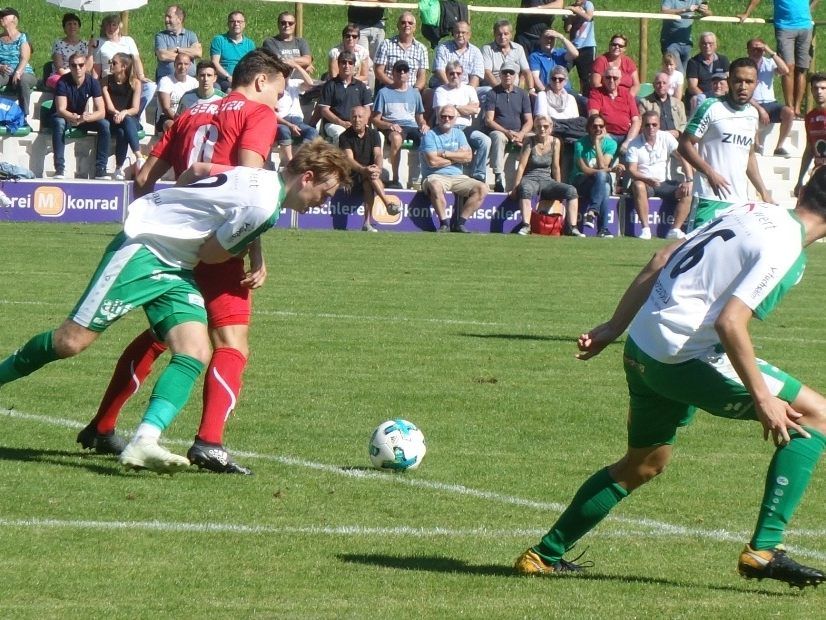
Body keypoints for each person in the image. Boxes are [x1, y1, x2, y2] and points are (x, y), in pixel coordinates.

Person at [515, 166, 826, 590]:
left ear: (804, 189)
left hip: (643, 345)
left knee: (643, 464)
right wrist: (764, 398)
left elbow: (661, 257)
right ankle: (764, 549)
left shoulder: (753, 209)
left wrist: (613, 327)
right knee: (817, 416)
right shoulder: (787, 247)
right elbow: (731, 323)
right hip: (682, 357)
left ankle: (542, 556)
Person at [1, 144, 351, 475]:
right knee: (70, 342)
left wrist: (175, 204)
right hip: (144, 251)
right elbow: (212, 255)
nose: (322, 201)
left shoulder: (256, 175)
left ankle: (144, 441)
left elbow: (198, 169)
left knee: (195, 351)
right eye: (326, 192)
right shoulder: (264, 208)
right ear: (307, 177)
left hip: (175, 267)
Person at [77, 49, 291, 475]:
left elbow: (142, 179)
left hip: (175, 242)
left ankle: (102, 426)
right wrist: (255, 250)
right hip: (218, 242)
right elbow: (248, 187)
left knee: (163, 336)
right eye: (279, 92)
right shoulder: (257, 114)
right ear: (261, 81)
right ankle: (209, 442)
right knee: (231, 344)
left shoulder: (190, 112)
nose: (279, 104)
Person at [679, 57, 773, 229]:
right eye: (738, 81)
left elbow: (749, 155)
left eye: (749, 81)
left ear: (756, 84)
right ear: (729, 81)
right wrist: (710, 173)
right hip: (709, 198)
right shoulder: (711, 107)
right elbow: (684, 144)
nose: (743, 86)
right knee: (700, 254)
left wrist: (763, 192)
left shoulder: (752, 114)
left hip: (739, 203)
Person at [738, 0, 816, 117]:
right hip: (784, 27)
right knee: (788, 67)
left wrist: (810, 9)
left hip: (805, 26)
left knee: (802, 69)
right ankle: (789, 107)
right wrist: (747, 13)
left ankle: (797, 109)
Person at [421, 104, 489, 232]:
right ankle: (444, 223)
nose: (446, 119)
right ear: (438, 117)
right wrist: (457, 157)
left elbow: (468, 157)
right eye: (443, 116)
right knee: (435, 186)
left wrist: (446, 154)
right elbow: (433, 162)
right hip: (435, 175)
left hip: (457, 176)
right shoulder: (429, 135)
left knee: (482, 188)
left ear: (455, 119)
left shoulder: (459, 134)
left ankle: (460, 223)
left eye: (450, 117)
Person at [625, 110, 693, 240]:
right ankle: (645, 229)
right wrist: (647, 179)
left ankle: (675, 230)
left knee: (688, 191)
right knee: (638, 185)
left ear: (659, 125)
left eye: (654, 124)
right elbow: (632, 171)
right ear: (642, 125)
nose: (651, 128)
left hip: (664, 183)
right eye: (647, 125)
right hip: (645, 184)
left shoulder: (666, 137)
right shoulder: (634, 144)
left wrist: (689, 179)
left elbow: (683, 157)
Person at [510, 115, 582, 235]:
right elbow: (522, 166)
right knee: (525, 188)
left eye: (545, 126)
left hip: (547, 180)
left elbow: (555, 166)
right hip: (530, 178)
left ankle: (572, 227)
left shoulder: (555, 142)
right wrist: (515, 187)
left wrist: (558, 186)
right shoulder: (530, 141)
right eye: (539, 126)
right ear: (535, 128)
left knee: (571, 191)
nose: (542, 129)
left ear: (551, 128)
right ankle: (526, 225)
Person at [52, 52, 110, 180]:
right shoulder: (63, 81)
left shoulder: (93, 82)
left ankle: (101, 168)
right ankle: (59, 168)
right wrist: (75, 118)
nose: (77, 68)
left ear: (85, 66)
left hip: (84, 118)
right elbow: (61, 109)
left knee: (104, 124)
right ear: (70, 67)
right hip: (66, 116)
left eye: (81, 65)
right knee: (59, 123)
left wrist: (87, 117)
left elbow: (102, 112)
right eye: (73, 65)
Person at [372, 60, 429, 189]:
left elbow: (420, 118)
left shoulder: (415, 94)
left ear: (409, 74)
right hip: (392, 125)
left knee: (428, 137)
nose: (402, 73)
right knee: (397, 139)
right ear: (393, 73)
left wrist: (424, 124)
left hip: (412, 126)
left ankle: (424, 178)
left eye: (405, 70)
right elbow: (375, 119)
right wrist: (389, 125)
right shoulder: (383, 93)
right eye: (398, 70)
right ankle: (396, 179)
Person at [432, 60, 491, 183]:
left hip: (466, 128)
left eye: (458, 73)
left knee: (485, 141)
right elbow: (442, 114)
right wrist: (464, 108)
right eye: (452, 73)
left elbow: (475, 110)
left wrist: (454, 107)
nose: (455, 76)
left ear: (462, 74)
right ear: (447, 74)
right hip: (447, 128)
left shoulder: (469, 89)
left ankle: (478, 175)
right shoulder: (440, 90)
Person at [340, 106, 396, 232]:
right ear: (350, 118)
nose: (356, 120)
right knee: (370, 178)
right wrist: (364, 170)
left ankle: (367, 223)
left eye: (360, 117)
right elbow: (349, 160)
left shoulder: (374, 134)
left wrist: (378, 168)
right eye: (354, 117)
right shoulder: (344, 137)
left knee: (369, 181)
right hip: (352, 175)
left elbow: (378, 155)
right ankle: (387, 204)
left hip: (369, 174)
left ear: (366, 120)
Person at [92, 14, 156, 116]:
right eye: (107, 25)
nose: (111, 28)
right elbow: (97, 68)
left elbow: (136, 59)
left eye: (114, 25)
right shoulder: (100, 43)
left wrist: (141, 76)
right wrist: (93, 83)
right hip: (109, 81)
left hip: (128, 80)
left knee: (150, 87)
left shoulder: (128, 40)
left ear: (119, 26)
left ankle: (136, 114)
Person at [570, 113, 622, 237]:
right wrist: (610, 170)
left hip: (599, 183)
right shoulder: (580, 144)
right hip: (582, 181)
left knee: (605, 185)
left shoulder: (611, 144)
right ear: (588, 128)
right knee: (603, 178)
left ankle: (593, 212)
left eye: (601, 126)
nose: (598, 129)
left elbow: (602, 166)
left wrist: (597, 144)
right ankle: (602, 228)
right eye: (594, 126)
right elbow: (585, 170)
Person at [484, 60, 533, 193]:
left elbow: (529, 120)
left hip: (519, 132)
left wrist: (522, 134)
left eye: (511, 73)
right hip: (500, 131)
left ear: (515, 75)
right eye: (505, 72)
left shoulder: (523, 94)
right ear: (500, 75)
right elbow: (489, 120)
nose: (508, 75)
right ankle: (499, 176)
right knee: (497, 137)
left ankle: (533, 175)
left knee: (536, 138)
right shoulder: (492, 93)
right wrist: (506, 132)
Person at [746, 37, 794, 157]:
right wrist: (760, 109)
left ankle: (779, 147)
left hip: (771, 103)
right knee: (751, 113)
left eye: (760, 49)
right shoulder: (744, 65)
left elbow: (785, 70)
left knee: (789, 112)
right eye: (754, 49)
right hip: (751, 102)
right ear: (748, 50)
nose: (757, 52)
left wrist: (771, 52)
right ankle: (755, 146)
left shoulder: (769, 63)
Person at [101, 52, 142, 181]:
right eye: (110, 62)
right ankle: (138, 157)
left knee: (126, 121)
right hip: (113, 118)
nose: (111, 65)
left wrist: (124, 113)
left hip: (130, 118)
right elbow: (109, 107)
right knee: (121, 131)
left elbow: (135, 109)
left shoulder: (135, 83)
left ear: (124, 66)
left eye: (114, 63)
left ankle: (122, 166)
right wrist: (118, 114)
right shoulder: (106, 81)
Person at [318, 50, 372, 146]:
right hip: (334, 124)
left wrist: (361, 123)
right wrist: (341, 123)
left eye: (350, 63)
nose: (347, 65)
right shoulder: (330, 85)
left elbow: (367, 110)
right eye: (343, 62)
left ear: (354, 66)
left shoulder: (361, 86)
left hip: (358, 123)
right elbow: (324, 110)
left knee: (375, 136)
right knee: (341, 135)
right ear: (338, 65)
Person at [588, 67, 641, 154]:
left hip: (627, 135)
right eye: (608, 77)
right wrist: (604, 134)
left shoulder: (626, 94)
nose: (611, 80)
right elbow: (593, 116)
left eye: (615, 78)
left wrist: (628, 142)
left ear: (620, 80)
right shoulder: (596, 93)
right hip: (607, 134)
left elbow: (636, 121)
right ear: (603, 79)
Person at [276, 59, 320, 165]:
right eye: (284, 71)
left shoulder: (294, 83)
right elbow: (272, 113)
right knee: (284, 130)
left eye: (289, 71)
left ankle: (296, 160)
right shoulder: (275, 87)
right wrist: (290, 125)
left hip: (297, 121)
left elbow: (310, 83)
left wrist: (296, 66)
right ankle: (290, 161)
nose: (287, 74)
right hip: (282, 121)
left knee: (313, 132)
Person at [374, 12, 429, 92]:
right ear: (398, 26)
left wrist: (415, 91)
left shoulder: (421, 48)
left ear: (414, 27)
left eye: (410, 23)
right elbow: (378, 71)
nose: (407, 25)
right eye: (403, 23)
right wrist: (394, 85)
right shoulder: (386, 44)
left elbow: (422, 76)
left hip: (411, 91)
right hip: (390, 88)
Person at [481, 19, 533, 95]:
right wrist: (500, 90)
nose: (502, 37)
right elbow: (487, 73)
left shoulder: (518, 48)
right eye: (499, 34)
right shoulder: (487, 49)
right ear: (494, 34)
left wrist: (531, 89)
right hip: (493, 88)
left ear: (511, 34)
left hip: (514, 90)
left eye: (506, 34)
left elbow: (526, 71)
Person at [795, 72, 826, 196]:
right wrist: (799, 179)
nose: (819, 92)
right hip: (819, 173)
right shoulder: (810, 117)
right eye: (815, 88)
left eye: (823, 88)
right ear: (811, 91)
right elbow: (809, 149)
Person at [0, 8, 35, 117]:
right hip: (5, 72)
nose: (1, 18)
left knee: (23, 80)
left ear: (14, 19)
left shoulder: (22, 37)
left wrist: (18, 72)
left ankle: (23, 115)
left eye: (4, 16)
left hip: (23, 71)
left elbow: (25, 58)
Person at [660, 0, 711, 73]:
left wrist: (704, 11)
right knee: (679, 73)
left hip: (687, 43)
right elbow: (663, 11)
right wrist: (686, 9)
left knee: (684, 75)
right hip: (670, 43)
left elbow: (709, 13)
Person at [210, 10, 255, 92]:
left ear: (244, 24)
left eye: (239, 21)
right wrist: (228, 77)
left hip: (243, 79)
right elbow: (214, 62)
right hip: (223, 79)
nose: (236, 24)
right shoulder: (219, 40)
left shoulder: (250, 44)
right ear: (228, 24)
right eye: (233, 21)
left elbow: (251, 66)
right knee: (230, 90)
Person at [430, 21, 484, 89]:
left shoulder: (476, 52)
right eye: (457, 32)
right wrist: (451, 88)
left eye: (463, 32)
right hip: (444, 86)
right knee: (428, 93)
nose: (460, 35)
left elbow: (476, 76)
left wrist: (469, 93)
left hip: (466, 88)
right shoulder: (443, 48)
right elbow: (439, 71)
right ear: (453, 34)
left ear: (469, 35)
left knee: (487, 91)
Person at [154, 4, 201, 81]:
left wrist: (178, 49)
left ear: (179, 19)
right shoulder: (161, 36)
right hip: (167, 79)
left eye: (169, 17)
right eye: (165, 16)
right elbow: (162, 55)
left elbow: (198, 53)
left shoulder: (191, 35)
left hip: (190, 79)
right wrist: (188, 56)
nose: (166, 20)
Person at [685, 32, 730, 111]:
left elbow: (729, 82)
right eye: (704, 43)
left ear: (716, 45)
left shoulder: (723, 60)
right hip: (701, 98)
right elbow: (692, 87)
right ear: (700, 45)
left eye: (710, 43)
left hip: (720, 97)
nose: (707, 46)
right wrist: (707, 100)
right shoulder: (693, 62)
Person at [155, 52, 197, 133]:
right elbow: (166, 108)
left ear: (190, 66)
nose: (183, 67)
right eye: (179, 64)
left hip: (188, 117)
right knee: (172, 127)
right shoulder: (165, 81)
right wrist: (181, 121)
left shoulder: (194, 82)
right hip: (167, 117)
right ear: (174, 65)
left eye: (186, 64)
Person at [638, 71, 688, 138]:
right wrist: (663, 134)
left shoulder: (679, 103)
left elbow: (684, 123)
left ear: (669, 85)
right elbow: (642, 125)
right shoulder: (645, 103)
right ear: (653, 85)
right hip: (656, 139)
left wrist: (678, 132)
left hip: (676, 139)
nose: (661, 85)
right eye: (658, 83)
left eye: (664, 83)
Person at [263, 11, 313, 76]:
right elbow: (278, 62)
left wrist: (287, 61)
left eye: (290, 23)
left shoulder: (301, 42)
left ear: (295, 25)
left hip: (301, 81)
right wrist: (301, 66)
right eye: (283, 23)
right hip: (281, 81)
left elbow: (307, 60)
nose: (287, 25)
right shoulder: (270, 42)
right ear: (278, 24)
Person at [47, 13, 88, 91]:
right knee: (65, 85)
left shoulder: (85, 44)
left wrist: (91, 50)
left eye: (75, 24)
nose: (72, 26)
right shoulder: (58, 43)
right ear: (64, 28)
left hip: (80, 74)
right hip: (61, 75)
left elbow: (88, 67)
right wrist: (74, 76)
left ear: (79, 27)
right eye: (69, 24)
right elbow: (60, 69)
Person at [529, 28, 578, 93]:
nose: (549, 40)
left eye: (552, 38)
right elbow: (536, 78)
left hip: (566, 90)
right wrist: (545, 92)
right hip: (549, 90)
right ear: (540, 39)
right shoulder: (535, 56)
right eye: (546, 38)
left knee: (586, 102)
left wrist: (561, 37)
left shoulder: (560, 53)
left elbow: (575, 54)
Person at [565, 0, 596, 96]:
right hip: (573, 47)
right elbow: (567, 29)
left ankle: (585, 96)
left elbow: (589, 17)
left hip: (587, 46)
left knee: (585, 77)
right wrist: (570, 16)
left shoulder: (588, 4)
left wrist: (575, 10)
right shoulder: (571, 7)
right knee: (563, 70)